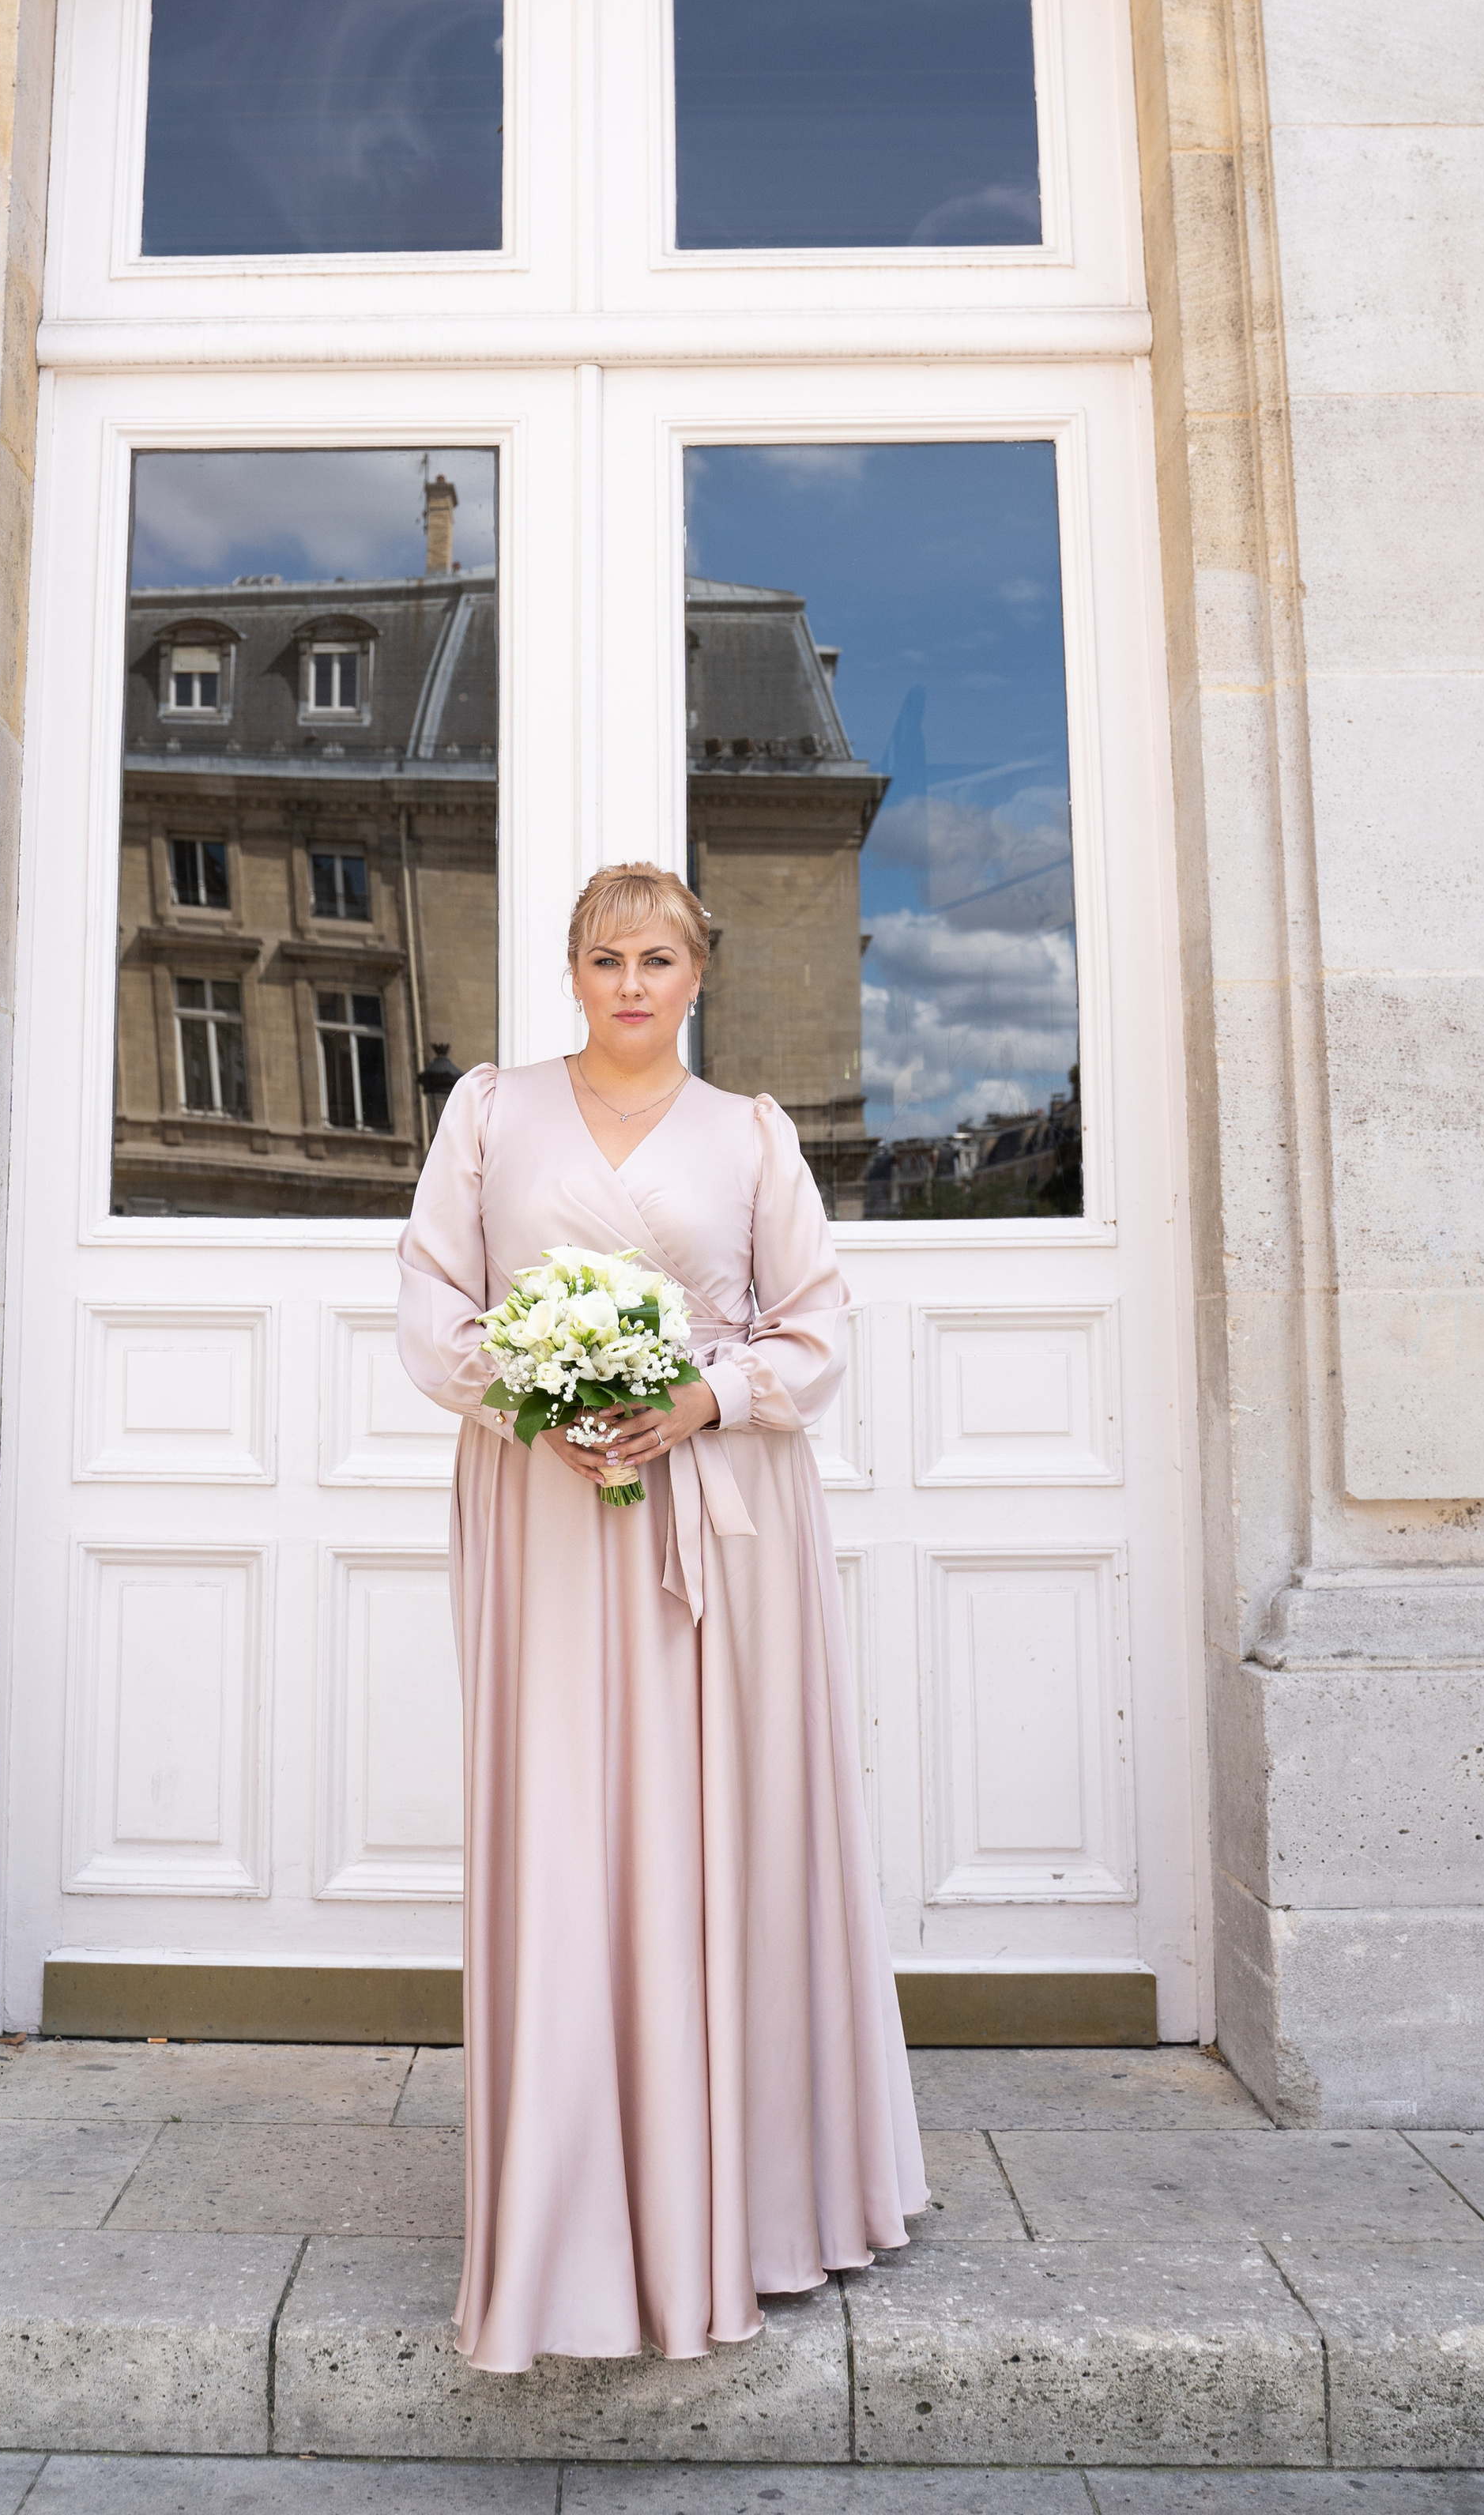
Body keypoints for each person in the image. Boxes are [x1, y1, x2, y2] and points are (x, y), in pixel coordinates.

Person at [395, 859, 925, 2373]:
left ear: (700, 975)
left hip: (725, 1521)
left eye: (660, 958)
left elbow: (816, 1325)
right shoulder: (488, 1113)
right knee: (568, 1827)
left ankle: (748, 2205)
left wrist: (705, 1397)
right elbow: (434, 1306)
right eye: (607, 958)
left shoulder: (751, 1135)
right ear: (571, 973)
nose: (632, 983)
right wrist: (535, 1399)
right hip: (548, 1511)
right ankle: (568, 2223)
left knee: (730, 1830)